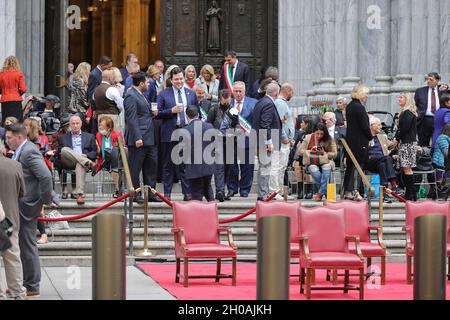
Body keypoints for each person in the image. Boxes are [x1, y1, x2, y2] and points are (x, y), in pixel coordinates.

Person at [6, 124, 53, 298]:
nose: (7, 140)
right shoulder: (22, 151)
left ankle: (32, 285)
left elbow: (45, 176)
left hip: (27, 207)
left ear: (19, 137)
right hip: (20, 206)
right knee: (20, 246)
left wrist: (44, 200)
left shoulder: (28, 151)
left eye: (10, 137)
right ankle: (22, 284)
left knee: (27, 246)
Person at [157, 67, 197, 201]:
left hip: (186, 132)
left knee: (185, 165)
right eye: (176, 79)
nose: (179, 81)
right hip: (169, 133)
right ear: (171, 80)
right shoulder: (163, 94)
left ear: (184, 78)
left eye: (181, 78)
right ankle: (167, 194)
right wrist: (171, 111)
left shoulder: (191, 93)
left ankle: (187, 194)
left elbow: (196, 113)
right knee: (168, 165)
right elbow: (157, 114)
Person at [124, 72, 160, 203]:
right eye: (147, 82)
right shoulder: (130, 96)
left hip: (149, 137)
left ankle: (150, 193)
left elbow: (142, 114)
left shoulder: (141, 95)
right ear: (141, 83)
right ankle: (136, 193)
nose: (149, 84)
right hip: (139, 138)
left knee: (151, 166)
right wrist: (137, 137)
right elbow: (132, 118)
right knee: (135, 167)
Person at [220, 81, 257, 198]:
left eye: (240, 91)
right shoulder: (228, 103)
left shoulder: (253, 103)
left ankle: (245, 189)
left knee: (247, 166)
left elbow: (255, 122)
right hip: (231, 140)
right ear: (233, 92)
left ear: (245, 91)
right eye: (236, 91)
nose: (238, 93)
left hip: (247, 139)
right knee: (232, 166)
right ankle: (232, 188)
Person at [0, 152, 27, 300]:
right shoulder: (15, 166)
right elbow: (22, 192)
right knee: (12, 257)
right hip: (9, 219)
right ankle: (17, 292)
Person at [55, 115, 98, 205]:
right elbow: (59, 154)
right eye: (73, 123)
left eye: (77, 123)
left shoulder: (89, 137)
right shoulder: (63, 137)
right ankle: (87, 162)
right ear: (70, 125)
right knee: (64, 150)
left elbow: (94, 153)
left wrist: (86, 155)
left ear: (81, 124)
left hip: (82, 162)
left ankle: (79, 194)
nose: (75, 125)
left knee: (80, 164)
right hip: (68, 162)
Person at [252, 81, 282, 201]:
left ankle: (262, 193)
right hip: (264, 141)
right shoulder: (269, 103)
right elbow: (265, 124)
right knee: (265, 168)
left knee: (263, 167)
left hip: (259, 139)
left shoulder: (261, 101)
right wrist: (269, 142)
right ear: (276, 93)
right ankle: (263, 194)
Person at [343, 84, 373, 201]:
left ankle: (348, 190)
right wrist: (370, 137)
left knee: (351, 167)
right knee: (358, 167)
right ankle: (356, 190)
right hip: (360, 142)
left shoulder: (350, 106)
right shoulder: (359, 107)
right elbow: (365, 126)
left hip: (351, 140)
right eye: (365, 94)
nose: (367, 96)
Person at [298, 123, 337, 201]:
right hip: (312, 161)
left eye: (321, 134)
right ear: (314, 132)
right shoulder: (308, 137)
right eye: (317, 134)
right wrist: (310, 150)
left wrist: (324, 153)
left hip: (326, 160)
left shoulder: (329, 139)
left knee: (326, 166)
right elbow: (300, 151)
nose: (319, 136)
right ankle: (325, 192)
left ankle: (320, 193)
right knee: (313, 168)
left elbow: (335, 154)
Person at [269, 83, 296, 200]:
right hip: (280, 141)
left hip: (284, 141)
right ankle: (274, 192)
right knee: (277, 167)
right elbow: (279, 123)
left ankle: (279, 191)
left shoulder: (282, 103)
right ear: (288, 91)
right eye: (292, 92)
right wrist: (284, 137)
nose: (292, 95)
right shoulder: (280, 103)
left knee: (282, 167)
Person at [183, 106, 215, 201]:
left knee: (196, 193)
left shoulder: (185, 130)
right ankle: (213, 211)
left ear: (187, 115)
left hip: (193, 167)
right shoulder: (209, 126)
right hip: (208, 164)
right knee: (208, 188)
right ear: (198, 114)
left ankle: (199, 214)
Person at [393, 92, 418, 201]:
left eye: (402, 97)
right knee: (406, 168)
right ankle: (412, 193)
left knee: (407, 168)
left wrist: (396, 138)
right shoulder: (406, 112)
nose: (399, 99)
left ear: (407, 99)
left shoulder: (408, 113)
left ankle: (409, 194)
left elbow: (404, 129)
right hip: (407, 143)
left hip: (407, 143)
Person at [366, 116, 400, 196]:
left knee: (382, 165)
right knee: (387, 158)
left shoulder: (382, 137)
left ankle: (384, 191)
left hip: (380, 163)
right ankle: (394, 184)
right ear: (371, 125)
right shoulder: (365, 137)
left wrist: (397, 140)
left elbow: (392, 145)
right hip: (369, 162)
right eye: (378, 125)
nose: (381, 127)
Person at [207, 89, 232, 201]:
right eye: (224, 102)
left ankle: (223, 189)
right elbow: (208, 125)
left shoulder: (233, 110)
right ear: (220, 100)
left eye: (228, 101)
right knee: (219, 166)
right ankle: (220, 191)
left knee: (227, 167)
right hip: (217, 142)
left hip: (230, 142)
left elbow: (237, 124)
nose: (226, 104)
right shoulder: (214, 109)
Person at [415, 72, 450, 147]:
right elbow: (415, 104)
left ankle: (435, 157)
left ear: (437, 81)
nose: (428, 81)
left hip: (438, 120)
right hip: (424, 120)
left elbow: (447, 98)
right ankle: (424, 158)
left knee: (438, 143)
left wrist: (446, 87)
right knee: (423, 144)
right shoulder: (420, 91)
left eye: (431, 79)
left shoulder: (442, 91)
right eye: (427, 79)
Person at [96, 116, 124, 199]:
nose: (100, 127)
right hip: (104, 161)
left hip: (116, 160)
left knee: (114, 166)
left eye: (102, 126)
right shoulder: (98, 135)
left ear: (109, 128)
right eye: (99, 125)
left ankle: (118, 189)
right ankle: (118, 190)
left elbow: (122, 149)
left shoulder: (117, 135)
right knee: (111, 165)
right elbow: (98, 151)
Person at [87, 56, 113, 134]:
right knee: (97, 129)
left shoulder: (101, 73)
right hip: (97, 108)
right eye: (108, 68)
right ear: (102, 65)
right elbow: (91, 93)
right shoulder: (94, 74)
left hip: (102, 108)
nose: (110, 70)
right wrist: (94, 109)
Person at [293, 116, 315, 199]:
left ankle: (309, 191)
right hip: (300, 156)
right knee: (298, 166)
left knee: (307, 166)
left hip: (309, 156)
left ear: (307, 124)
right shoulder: (300, 134)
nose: (300, 124)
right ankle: (300, 190)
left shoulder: (314, 135)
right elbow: (296, 146)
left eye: (302, 122)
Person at [0, 56, 27, 125]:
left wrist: (3, 92)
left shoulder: (1, 74)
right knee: (17, 121)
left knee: (6, 121)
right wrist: (18, 94)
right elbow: (23, 89)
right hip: (16, 100)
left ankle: (6, 135)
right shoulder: (18, 74)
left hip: (5, 100)